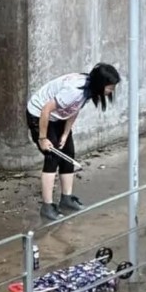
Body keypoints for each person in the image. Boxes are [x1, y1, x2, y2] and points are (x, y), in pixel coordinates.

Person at [27, 63, 121, 221]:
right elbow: (45, 110)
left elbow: (74, 109)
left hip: (58, 117)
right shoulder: (73, 91)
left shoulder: (87, 91)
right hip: (39, 114)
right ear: (100, 84)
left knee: (68, 153)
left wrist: (65, 133)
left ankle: (66, 198)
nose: (111, 91)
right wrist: (42, 138)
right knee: (52, 156)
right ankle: (47, 206)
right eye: (110, 87)